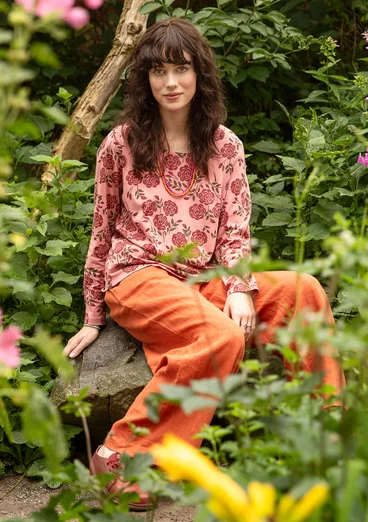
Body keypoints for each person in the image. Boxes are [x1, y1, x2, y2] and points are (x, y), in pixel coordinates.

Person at [63, 18, 345, 510]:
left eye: (181, 69)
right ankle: (121, 456)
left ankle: (327, 441)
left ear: (200, 74)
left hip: (204, 280)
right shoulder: (121, 144)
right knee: (222, 337)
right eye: (158, 71)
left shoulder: (225, 145)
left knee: (305, 290)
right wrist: (92, 316)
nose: (170, 83)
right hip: (138, 277)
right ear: (145, 80)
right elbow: (102, 229)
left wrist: (238, 285)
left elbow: (236, 226)